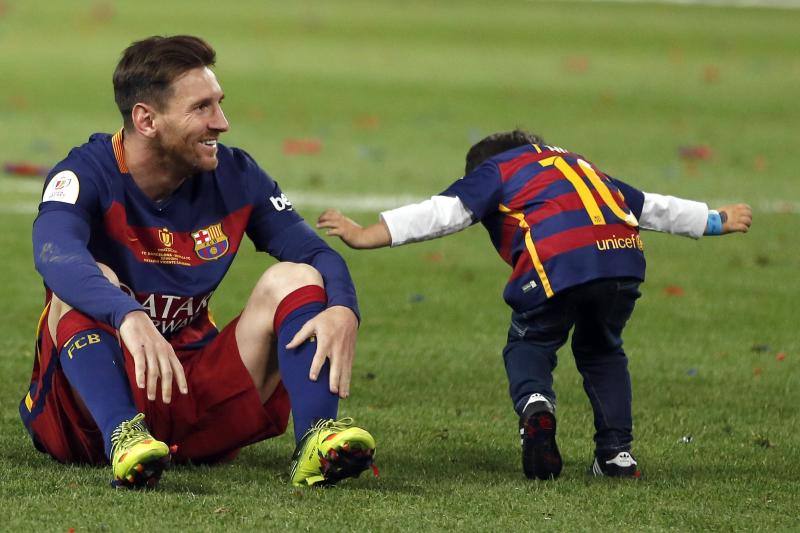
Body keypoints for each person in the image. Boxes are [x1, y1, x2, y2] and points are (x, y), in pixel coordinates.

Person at [19, 35, 376, 489]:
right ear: (146, 120)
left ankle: (317, 440)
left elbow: (316, 252)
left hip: (188, 391)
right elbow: (55, 253)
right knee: (85, 286)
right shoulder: (85, 174)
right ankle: (123, 433)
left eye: (219, 104)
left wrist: (344, 306)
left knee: (297, 276)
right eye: (202, 108)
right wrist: (126, 313)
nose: (222, 123)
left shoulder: (237, 175)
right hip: (86, 413)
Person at [317, 129, 751, 480]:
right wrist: (714, 219)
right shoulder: (578, 164)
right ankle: (617, 455)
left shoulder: (497, 171)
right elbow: (648, 206)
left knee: (530, 342)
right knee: (602, 350)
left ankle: (536, 406)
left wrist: (367, 234)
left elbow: (445, 211)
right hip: (623, 257)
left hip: (558, 260)